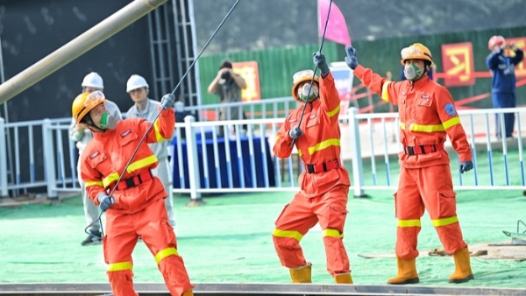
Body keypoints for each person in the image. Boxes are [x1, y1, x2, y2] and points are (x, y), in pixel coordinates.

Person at [344, 43, 474, 284]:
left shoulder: (437, 92)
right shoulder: (401, 90)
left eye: (415, 62)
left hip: (433, 163)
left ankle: (462, 265)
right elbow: (379, 84)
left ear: (426, 66)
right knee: (405, 217)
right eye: (406, 62)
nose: (409, 67)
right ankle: (406, 269)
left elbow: (453, 126)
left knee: (442, 215)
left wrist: (464, 154)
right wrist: (356, 68)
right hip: (408, 165)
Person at [72, 91, 194, 296]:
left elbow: (161, 132)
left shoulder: (132, 126)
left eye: (103, 107)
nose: (103, 112)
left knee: (166, 253)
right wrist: (101, 197)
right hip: (118, 212)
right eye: (96, 112)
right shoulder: (88, 153)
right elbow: (92, 184)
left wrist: (165, 111)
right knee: (116, 267)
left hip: (149, 202)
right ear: (86, 122)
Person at [272, 52, 352, 284]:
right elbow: (279, 151)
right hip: (308, 187)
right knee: (282, 236)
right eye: (302, 86)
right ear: (295, 92)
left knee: (331, 237)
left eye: (311, 84)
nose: (307, 89)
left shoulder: (327, 110)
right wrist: (288, 136)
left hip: (332, 184)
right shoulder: (292, 118)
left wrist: (325, 72)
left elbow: (331, 95)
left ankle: (343, 288)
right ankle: (301, 285)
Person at [69, 72, 122, 246]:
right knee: (88, 192)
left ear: (101, 91)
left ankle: (121, 229)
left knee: (116, 191)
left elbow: (119, 130)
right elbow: (73, 136)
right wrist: (80, 130)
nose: (90, 92)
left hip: (107, 157)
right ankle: (94, 230)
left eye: (94, 90)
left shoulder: (111, 107)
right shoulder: (79, 108)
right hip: (86, 157)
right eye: (88, 89)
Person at [125, 74, 177, 229]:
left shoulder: (160, 107)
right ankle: (149, 227)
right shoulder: (129, 114)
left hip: (159, 159)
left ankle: (169, 225)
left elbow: (168, 130)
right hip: (142, 166)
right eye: (132, 91)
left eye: (138, 90)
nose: (136, 93)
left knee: (164, 194)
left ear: (147, 90)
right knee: (144, 198)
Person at [486, 35, 524, 139]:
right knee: (501, 113)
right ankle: (500, 135)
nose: (501, 47)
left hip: (510, 90)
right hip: (499, 92)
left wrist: (515, 49)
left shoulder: (507, 59)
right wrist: (499, 50)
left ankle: (508, 134)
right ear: (493, 47)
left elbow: (520, 57)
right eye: (497, 45)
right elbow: (489, 63)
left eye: (501, 44)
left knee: (511, 113)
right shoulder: (493, 60)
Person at [206, 59, 247, 137]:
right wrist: (218, 76)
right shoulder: (220, 82)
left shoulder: (237, 79)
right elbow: (210, 90)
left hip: (238, 114)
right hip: (224, 115)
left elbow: (244, 86)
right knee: (224, 138)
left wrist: (233, 75)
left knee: (241, 137)